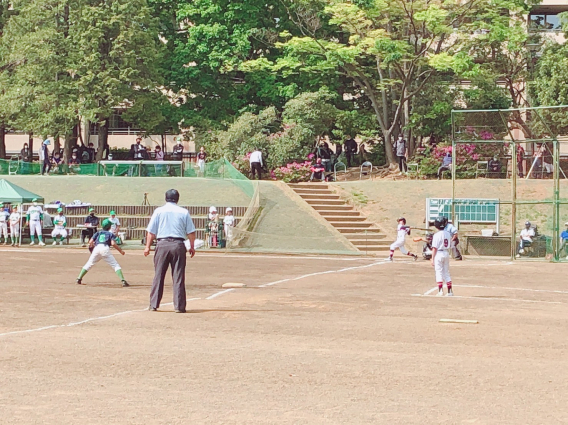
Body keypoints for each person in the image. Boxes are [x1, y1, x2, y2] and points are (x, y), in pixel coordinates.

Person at [144, 189, 196, 313]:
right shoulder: (184, 212)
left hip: (162, 244)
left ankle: (153, 304)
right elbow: (191, 232)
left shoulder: (159, 211)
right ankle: (179, 306)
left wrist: (147, 247)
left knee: (158, 275)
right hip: (178, 245)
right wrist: (192, 246)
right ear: (177, 198)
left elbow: (151, 232)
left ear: (165, 198)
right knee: (178, 276)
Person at [76, 219, 129, 287]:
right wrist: (120, 251)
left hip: (97, 248)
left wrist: (94, 247)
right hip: (105, 248)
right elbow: (113, 243)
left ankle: (79, 278)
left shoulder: (98, 233)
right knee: (115, 265)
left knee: (89, 264)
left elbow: (90, 242)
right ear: (109, 227)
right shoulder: (110, 234)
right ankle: (123, 281)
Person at [432, 216, 454, 296]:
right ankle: (450, 291)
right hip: (446, 253)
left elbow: (434, 248)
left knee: (439, 272)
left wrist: (432, 259)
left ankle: (440, 291)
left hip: (439, 253)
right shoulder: (448, 234)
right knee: (446, 272)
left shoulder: (436, 235)